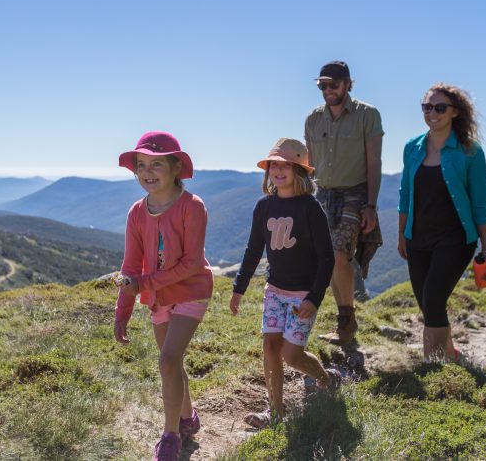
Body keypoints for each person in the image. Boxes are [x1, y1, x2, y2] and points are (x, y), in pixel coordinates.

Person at [114, 131, 214, 461]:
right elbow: (130, 266)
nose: (147, 172)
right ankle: (188, 418)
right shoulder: (135, 212)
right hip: (156, 296)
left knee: (168, 359)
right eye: (141, 165)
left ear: (175, 167)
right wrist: (122, 311)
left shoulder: (192, 207)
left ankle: (170, 437)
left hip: (192, 290)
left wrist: (144, 283)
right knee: (172, 364)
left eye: (157, 164)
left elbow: (193, 263)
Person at [230, 138, 340, 428]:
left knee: (291, 355)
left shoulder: (310, 208)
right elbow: (254, 250)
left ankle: (326, 378)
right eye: (273, 165)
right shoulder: (263, 206)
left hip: (303, 294)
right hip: (275, 292)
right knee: (270, 348)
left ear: (299, 171)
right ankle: (275, 413)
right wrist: (238, 289)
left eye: (285, 165)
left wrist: (313, 298)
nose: (278, 171)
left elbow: (327, 259)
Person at [397, 83, 486, 362]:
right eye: (427, 107)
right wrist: (403, 234)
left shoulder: (469, 151)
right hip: (418, 238)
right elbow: (405, 194)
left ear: (455, 112)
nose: (432, 113)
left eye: (440, 108)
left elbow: (480, 204)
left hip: (455, 239)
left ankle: (436, 367)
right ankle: (450, 354)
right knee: (427, 305)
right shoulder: (412, 148)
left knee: (434, 299)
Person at [304, 61, 384, 345]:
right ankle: (338, 321)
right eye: (322, 85)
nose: (327, 90)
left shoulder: (368, 115)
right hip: (321, 194)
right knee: (326, 258)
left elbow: (374, 162)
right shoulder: (313, 119)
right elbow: (310, 165)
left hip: (355, 193)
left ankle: (346, 324)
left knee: (339, 255)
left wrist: (371, 205)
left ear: (348, 83)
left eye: (333, 84)